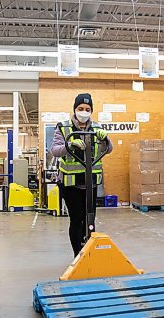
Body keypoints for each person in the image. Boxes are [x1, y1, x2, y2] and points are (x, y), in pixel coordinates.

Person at [50, 93, 113, 257]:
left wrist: (105, 139)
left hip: (90, 183)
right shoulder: (63, 127)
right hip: (70, 185)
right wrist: (69, 145)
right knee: (77, 220)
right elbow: (55, 150)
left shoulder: (97, 128)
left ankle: (89, 253)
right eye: (81, 108)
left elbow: (109, 149)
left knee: (89, 220)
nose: (84, 112)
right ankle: (78, 255)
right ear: (75, 109)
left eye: (87, 109)